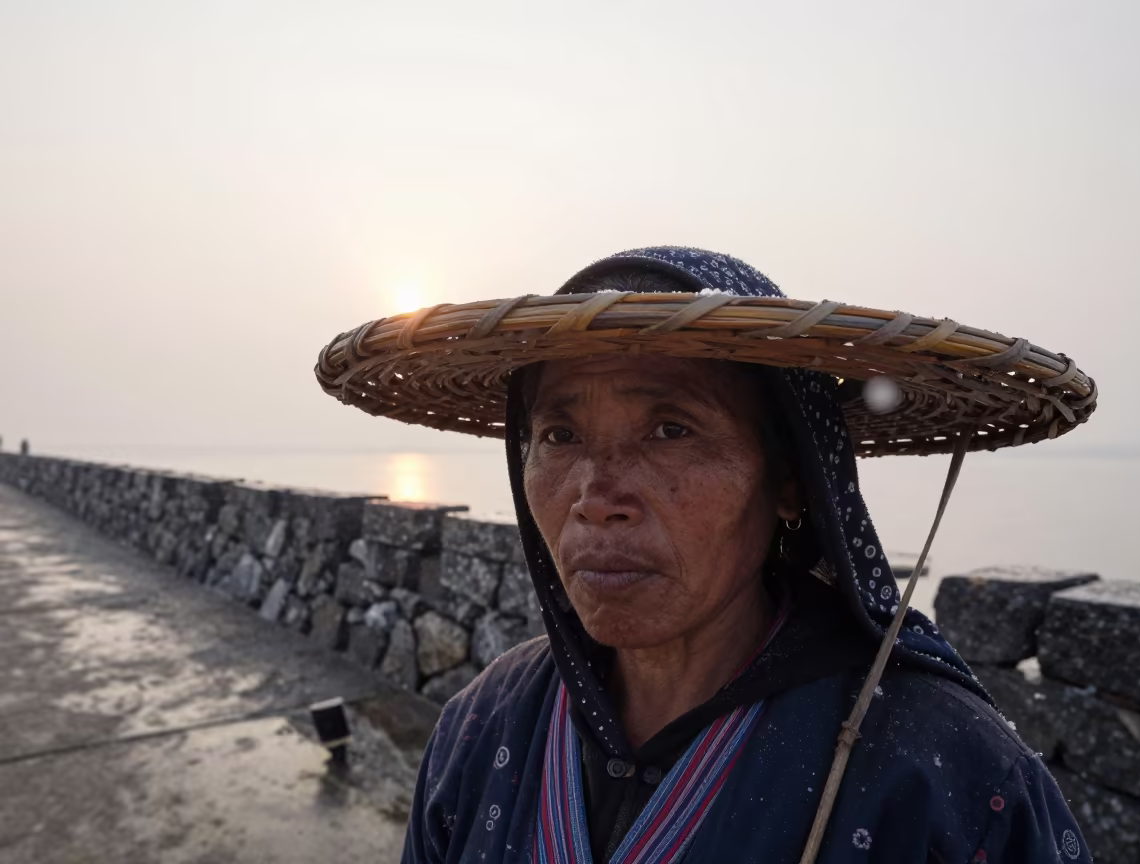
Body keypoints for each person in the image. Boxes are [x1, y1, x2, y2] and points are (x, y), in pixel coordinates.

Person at [316, 247, 1097, 863]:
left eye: (671, 430)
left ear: (791, 481)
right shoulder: (483, 727)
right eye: (559, 436)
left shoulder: (946, 775)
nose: (597, 492)